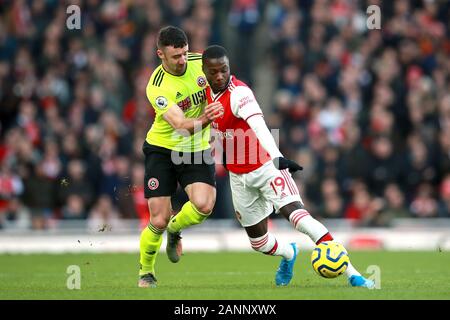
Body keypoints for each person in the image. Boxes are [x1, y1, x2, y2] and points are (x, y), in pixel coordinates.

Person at [202, 45, 374, 288]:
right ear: (204, 72)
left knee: (298, 217)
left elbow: (259, 125)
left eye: (224, 69)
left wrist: (277, 157)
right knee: (258, 243)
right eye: (214, 71)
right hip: (238, 175)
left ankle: (354, 274)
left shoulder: (240, 94)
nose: (220, 75)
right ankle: (289, 253)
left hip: (266, 165)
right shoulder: (203, 90)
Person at [138, 27, 223, 288]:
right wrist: (208, 118)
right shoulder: (157, 87)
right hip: (163, 149)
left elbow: (227, 84)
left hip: (195, 149)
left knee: (204, 206)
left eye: (185, 53)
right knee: (158, 219)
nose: (183, 60)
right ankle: (146, 271)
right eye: (176, 56)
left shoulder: (201, 63)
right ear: (160, 54)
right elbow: (181, 124)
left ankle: (175, 230)